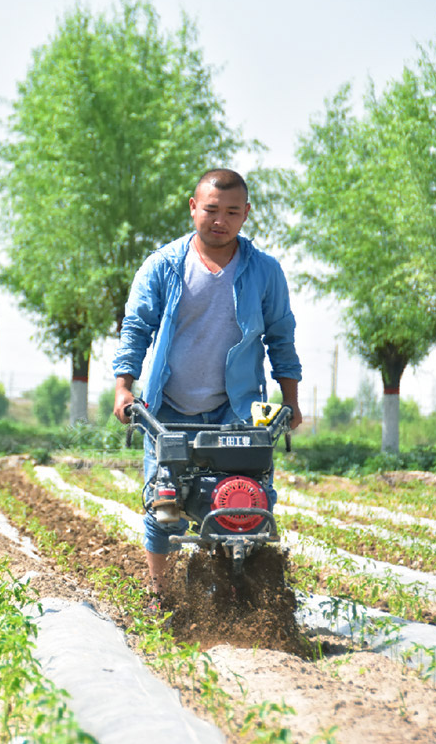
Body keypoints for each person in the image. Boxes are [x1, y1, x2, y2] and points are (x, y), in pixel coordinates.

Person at [111, 168, 302, 599]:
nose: (221, 220)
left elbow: (281, 338)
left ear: (247, 214)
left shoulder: (264, 272)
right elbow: (136, 328)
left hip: (236, 411)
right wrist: (124, 387)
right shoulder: (163, 265)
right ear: (193, 207)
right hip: (170, 410)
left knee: (248, 502)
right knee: (166, 508)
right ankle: (161, 595)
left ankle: (245, 589)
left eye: (232, 211)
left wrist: (290, 402)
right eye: (211, 209)